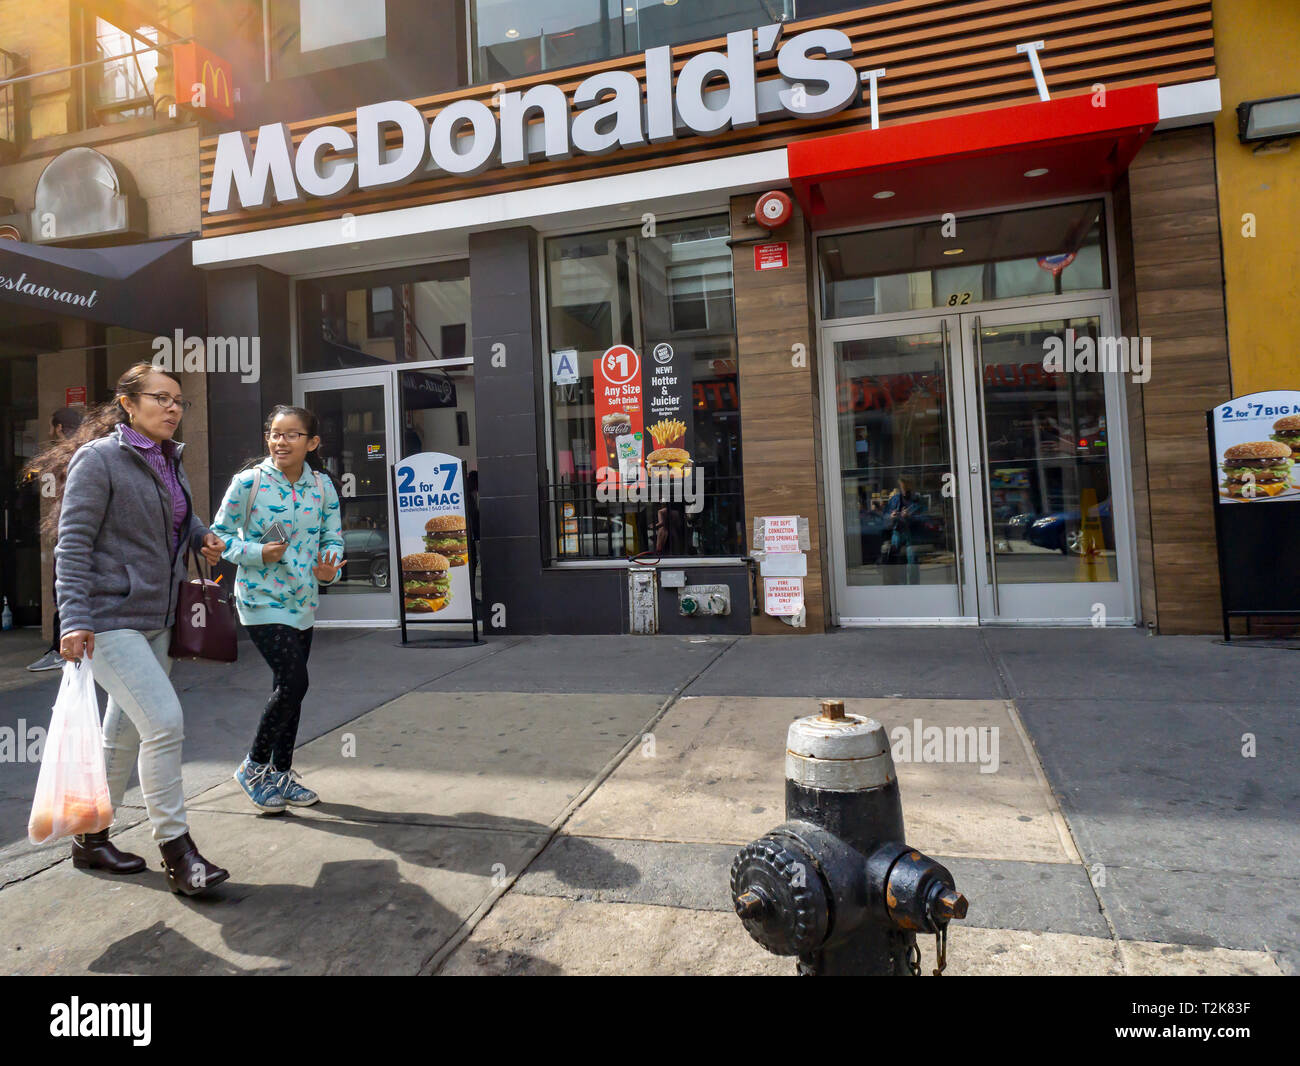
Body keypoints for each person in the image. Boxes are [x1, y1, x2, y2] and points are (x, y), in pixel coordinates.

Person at [24, 364, 229, 895]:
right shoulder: (100, 459)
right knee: (163, 722)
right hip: (110, 618)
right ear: (127, 403)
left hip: (158, 620)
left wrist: (202, 537)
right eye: (161, 399)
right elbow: (72, 544)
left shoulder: (170, 459)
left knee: (123, 734)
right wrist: (74, 620)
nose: (172, 409)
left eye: (179, 401)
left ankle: (91, 841)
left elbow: (181, 521)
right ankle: (179, 852)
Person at [210, 406, 345, 814]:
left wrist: (329, 569)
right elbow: (217, 538)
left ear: (312, 442)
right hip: (259, 599)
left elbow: (332, 538)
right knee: (294, 683)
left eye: (291, 434)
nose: (280, 441)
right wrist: (255, 552)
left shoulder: (322, 487)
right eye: (274, 433)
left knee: (290, 691)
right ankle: (253, 767)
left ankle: (281, 773)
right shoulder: (248, 483)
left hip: (302, 600)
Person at [27, 408, 85, 672]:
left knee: (62, 589)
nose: (50, 432)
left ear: (60, 427)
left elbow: (54, 498)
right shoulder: (91, 449)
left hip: (71, 534)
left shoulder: (65, 456)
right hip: (87, 535)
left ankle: (59, 650)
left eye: (52, 427)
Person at [885, 476, 923, 586]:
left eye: (905, 486)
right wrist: (891, 516)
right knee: (898, 562)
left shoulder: (917, 499)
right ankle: (901, 586)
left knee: (912, 563)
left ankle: (913, 587)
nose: (903, 489)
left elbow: (922, 517)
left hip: (910, 533)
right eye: (902, 486)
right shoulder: (895, 499)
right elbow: (885, 515)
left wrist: (909, 516)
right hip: (897, 532)